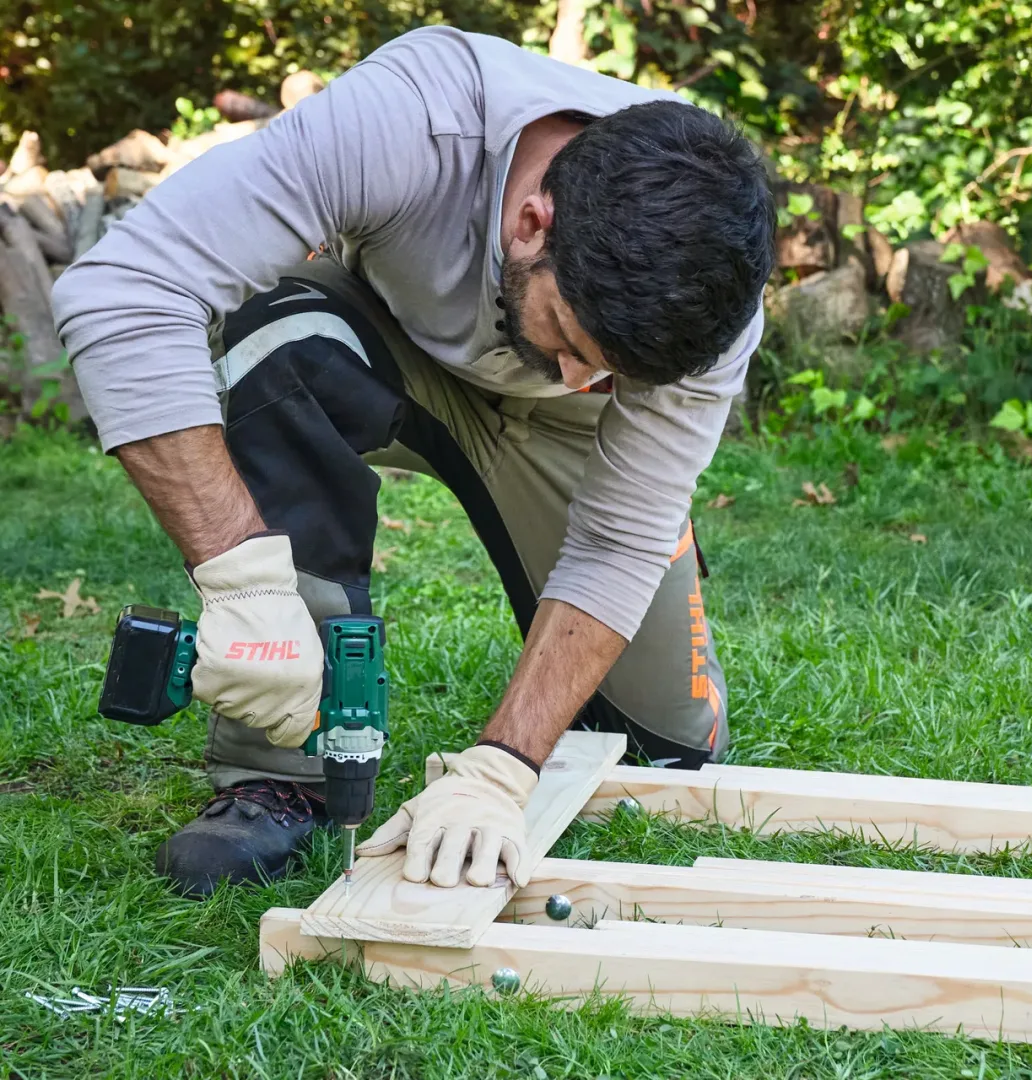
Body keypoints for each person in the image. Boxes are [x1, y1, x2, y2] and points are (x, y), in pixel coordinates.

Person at [52, 25, 775, 898]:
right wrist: (243, 584)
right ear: (531, 222)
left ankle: (631, 681)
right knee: (269, 336)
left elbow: (617, 545)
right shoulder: (411, 122)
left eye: (617, 371)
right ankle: (278, 766)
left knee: (665, 754)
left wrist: (501, 769)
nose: (588, 379)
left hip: (571, 445)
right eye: (577, 342)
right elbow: (123, 291)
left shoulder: (707, 281)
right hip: (386, 352)